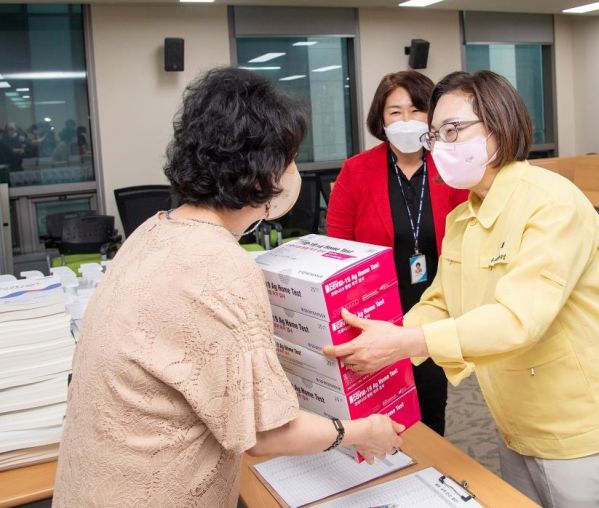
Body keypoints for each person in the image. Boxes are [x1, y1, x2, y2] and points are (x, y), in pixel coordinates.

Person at [53, 67, 403, 508]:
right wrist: (360, 433)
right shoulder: (221, 265)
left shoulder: (153, 230)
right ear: (260, 173)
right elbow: (267, 431)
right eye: (289, 159)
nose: (293, 173)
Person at [324, 71, 599, 508]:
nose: (439, 146)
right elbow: (441, 300)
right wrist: (386, 338)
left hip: (579, 422)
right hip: (517, 416)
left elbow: (519, 319)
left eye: (454, 130)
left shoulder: (551, 203)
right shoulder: (465, 216)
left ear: (499, 124)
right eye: (435, 135)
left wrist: (407, 341)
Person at [326, 71, 467, 437]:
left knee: (431, 408)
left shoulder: (450, 167)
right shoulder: (357, 171)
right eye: (395, 112)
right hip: (375, 312)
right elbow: (338, 246)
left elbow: (468, 237)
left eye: (417, 110)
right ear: (381, 119)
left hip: (435, 308)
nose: (407, 121)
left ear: (432, 117)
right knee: (380, 411)